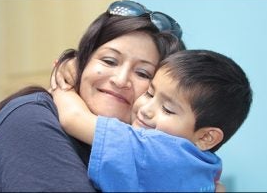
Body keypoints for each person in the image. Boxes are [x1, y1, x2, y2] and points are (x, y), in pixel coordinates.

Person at [0, 0, 185, 192]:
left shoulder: (150, 150)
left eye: (143, 73)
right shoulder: (31, 120)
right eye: (109, 61)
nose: (121, 80)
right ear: (82, 62)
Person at [52, 50, 253, 192]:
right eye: (149, 93)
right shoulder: (208, 165)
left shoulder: (153, 150)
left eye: (167, 109)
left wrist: (63, 85)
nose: (146, 110)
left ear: (207, 137)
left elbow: (73, 119)